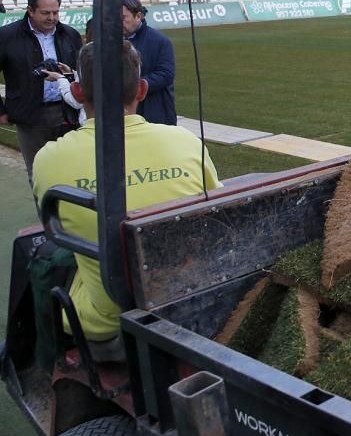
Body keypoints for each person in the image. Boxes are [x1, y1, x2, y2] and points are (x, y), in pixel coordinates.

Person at [32, 40, 220, 350]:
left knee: (43, 260)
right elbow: (216, 204)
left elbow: (54, 228)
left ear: (78, 93)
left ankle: (41, 362)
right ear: (142, 90)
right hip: (188, 298)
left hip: (108, 318)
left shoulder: (49, 158)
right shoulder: (184, 141)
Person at [0, 0, 83, 177]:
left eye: (55, 12)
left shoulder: (70, 34)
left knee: (71, 172)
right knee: (39, 174)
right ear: (30, 10)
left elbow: (82, 72)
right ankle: (45, 208)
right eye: (45, 13)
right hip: (30, 117)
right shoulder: (6, 36)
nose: (52, 18)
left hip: (68, 113)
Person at [122, 0, 177, 125]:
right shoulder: (111, 41)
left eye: (123, 18)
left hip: (154, 112)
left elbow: (166, 74)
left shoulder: (160, 41)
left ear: (138, 16)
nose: (119, 22)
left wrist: (134, 86)